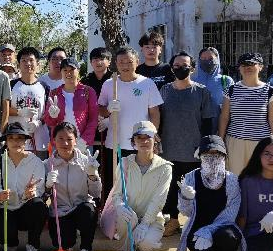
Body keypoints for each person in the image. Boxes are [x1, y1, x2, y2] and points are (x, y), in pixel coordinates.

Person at [159, 51, 213, 236]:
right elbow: (158, 117)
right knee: (171, 188)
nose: (181, 68)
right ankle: (173, 221)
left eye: (185, 65)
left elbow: (207, 121)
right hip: (168, 149)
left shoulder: (201, 91)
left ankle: (196, 222)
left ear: (192, 68)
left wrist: (203, 145)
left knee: (195, 188)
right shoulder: (165, 90)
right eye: (176, 65)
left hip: (193, 151)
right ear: (171, 68)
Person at [97, 47, 162, 194]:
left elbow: (154, 112)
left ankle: (137, 214)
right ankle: (112, 214)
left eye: (129, 62)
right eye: (121, 62)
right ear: (116, 64)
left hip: (140, 143)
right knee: (113, 182)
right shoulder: (109, 84)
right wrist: (108, 109)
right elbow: (100, 109)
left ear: (137, 62)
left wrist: (153, 134)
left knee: (137, 183)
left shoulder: (147, 84)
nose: (125, 65)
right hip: (114, 142)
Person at [175, 135, 243, 251]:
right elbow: (186, 212)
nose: (212, 158)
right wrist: (185, 198)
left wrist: (208, 232)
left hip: (223, 227)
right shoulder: (190, 178)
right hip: (197, 229)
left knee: (228, 237)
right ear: (200, 156)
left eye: (216, 154)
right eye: (207, 154)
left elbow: (230, 215)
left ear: (224, 156)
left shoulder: (232, 180)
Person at [106, 121, 172, 251]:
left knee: (147, 243)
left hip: (151, 219)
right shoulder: (124, 163)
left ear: (155, 140)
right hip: (128, 216)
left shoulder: (165, 168)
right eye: (139, 137)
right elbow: (117, 194)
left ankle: (142, 249)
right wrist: (119, 206)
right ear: (133, 142)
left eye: (148, 136)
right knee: (127, 217)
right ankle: (126, 250)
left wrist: (145, 224)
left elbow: (159, 199)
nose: (144, 141)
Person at [45, 122, 102, 251]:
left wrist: (92, 175)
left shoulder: (86, 161)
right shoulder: (47, 164)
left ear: (76, 140)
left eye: (69, 139)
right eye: (60, 139)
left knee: (89, 210)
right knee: (64, 243)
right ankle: (68, 241)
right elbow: (42, 195)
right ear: (54, 141)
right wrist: (47, 186)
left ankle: (85, 249)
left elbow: (96, 193)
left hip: (81, 208)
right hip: (60, 211)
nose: (65, 143)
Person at [0, 122, 46, 251]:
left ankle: (33, 246)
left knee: (38, 206)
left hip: (26, 208)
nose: (16, 142)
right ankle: (11, 242)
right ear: (6, 142)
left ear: (25, 141)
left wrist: (31, 193)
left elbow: (40, 188)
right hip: (6, 208)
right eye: (11, 138)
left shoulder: (35, 161)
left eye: (19, 138)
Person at [218, 52, 273, 175]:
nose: (248, 67)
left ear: (260, 67)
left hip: (261, 144)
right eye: (244, 65)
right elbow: (224, 117)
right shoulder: (230, 90)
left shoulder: (270, 91)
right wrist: (221, 141)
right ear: (239, 68)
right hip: (235, 143)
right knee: (235, 179)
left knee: (259, 178)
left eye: (252, 64)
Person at [42, 57, 98, 153]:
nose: (68, 73)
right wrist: (52, 116)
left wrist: (84, 141)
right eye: (65, 70)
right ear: (61, 72)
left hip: (83, 144)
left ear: (78, 70)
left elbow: (93, 119)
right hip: (60, 144)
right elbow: (49, 122)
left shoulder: (88, 91)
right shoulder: (54, 93)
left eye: (72, 70)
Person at [8, 46, 50, 158]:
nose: (28, 64)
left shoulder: (44, 86)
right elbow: (3, 109)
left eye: (31, 60)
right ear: (18, 65)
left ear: (37, 64)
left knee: (39, 173)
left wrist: (39, 122)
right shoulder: (11, 85)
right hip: (17, 140)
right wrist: (20, 112)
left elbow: (48, 112)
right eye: (24, 61)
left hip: (40, 141)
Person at [83, 47, 113, 199]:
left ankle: (107, 201)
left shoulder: (116, 80)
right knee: (91, 167)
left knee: (109, 169)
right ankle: (93, 200)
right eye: (94, 59)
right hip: (91, 131)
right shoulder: (85, 81)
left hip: (111, 130)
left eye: (102, 58)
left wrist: (109, 120)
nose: (98, 62)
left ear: (109, 61)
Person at [192, 47, 233, 134]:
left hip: (220, 132)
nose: (207, 61)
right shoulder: (192, 81)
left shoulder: (226, 81)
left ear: (217, 60)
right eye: (203, 59)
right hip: (196, 132)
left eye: (211, 59)